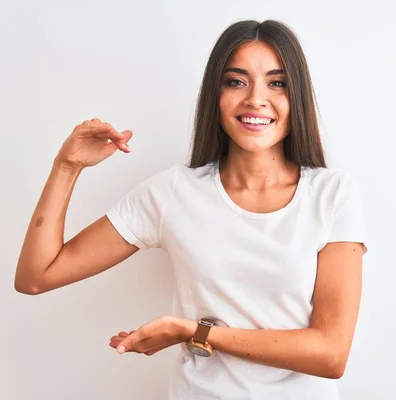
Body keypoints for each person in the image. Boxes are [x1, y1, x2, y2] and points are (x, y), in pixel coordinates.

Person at [14, 19, 367, 399]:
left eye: (276, 82)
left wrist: (193, 331)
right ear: (214, 94)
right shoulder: (172, 192)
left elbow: (331, 354)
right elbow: (36, 276)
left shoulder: (332, 194)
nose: (255, 98)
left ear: (296, 94)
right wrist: (67, 167)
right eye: (236, 81)